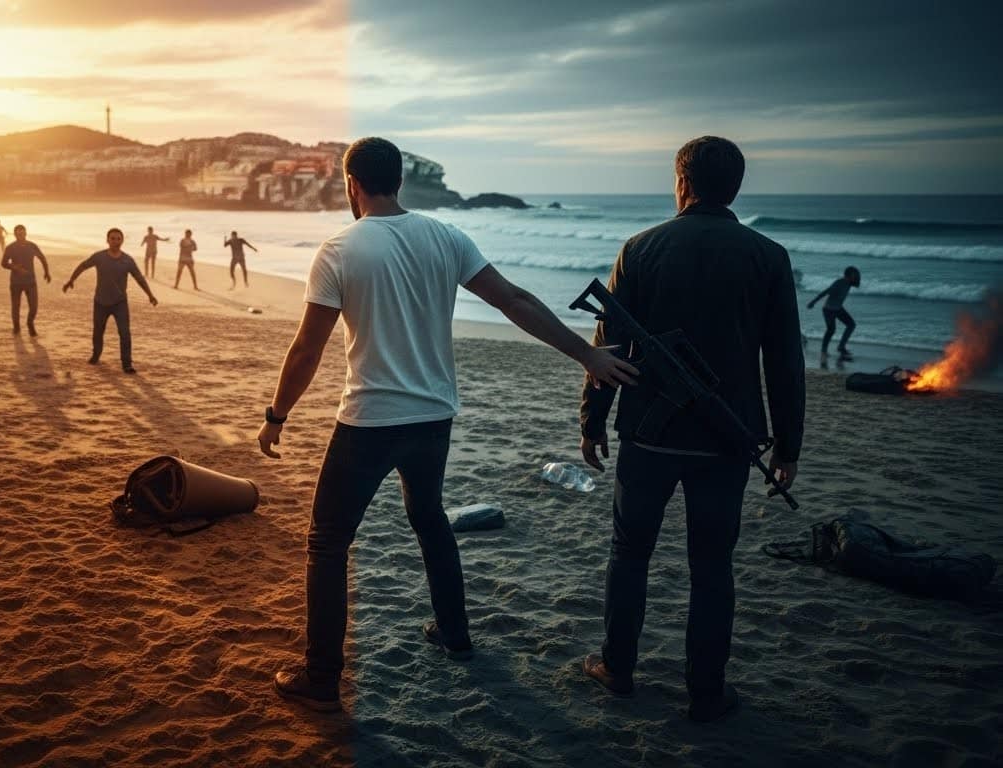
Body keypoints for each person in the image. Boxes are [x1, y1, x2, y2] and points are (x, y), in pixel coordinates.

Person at [258, 137, 636, 712]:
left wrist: (277, 415)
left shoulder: (339, 248)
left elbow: (307, 348)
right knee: (429, 517)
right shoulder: (445, 236)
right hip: (434, 418)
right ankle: (455, 635)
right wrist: (585, 355)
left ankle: (321, 677)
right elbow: (513, 300)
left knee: (329, 542)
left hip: (369, 420)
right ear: (400, 181)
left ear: (351, 184)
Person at [578, 136, 804, 724]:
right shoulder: (768, 255)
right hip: (728, 443)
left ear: (681, 183)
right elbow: (784, 360)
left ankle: (617, 670)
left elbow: (610, 347)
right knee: (712, 566)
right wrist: (789, 445)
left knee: (629, 554)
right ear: (736, 187)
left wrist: (592, 419)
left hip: (649, 437)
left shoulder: (641, 248)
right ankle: (706, 693)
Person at [63, 227, 158, 374]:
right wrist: (71, 280)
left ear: (122, 241)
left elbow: (139, 278)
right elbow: (83, 266)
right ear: (107, 240)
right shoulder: (99, 257)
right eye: (112, 238)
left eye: (118, 238)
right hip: (100, 301)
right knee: (98, 331)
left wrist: (150, 295)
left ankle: (127, 364)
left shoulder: (127, 260)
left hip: (120, 302)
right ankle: (96, 355)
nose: (115, 241)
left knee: (125, 333)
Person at [0, 224, 51, 336]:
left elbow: (42, 258)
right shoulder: (10, 248)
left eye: (22, 233)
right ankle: (16, 327)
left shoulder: (32, 246)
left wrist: (47, 272)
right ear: (15, 235)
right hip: (15, 282)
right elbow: (3, 263)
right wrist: (14, 267)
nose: (20, 236)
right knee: (15, 307)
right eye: (18, 234)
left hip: (30, 281)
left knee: (34, 307)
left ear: (25, 233)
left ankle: (30, 323)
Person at [808, 266, 861, 361]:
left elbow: (857, 283)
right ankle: (823, 351)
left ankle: (841, 347)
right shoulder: (839, 282)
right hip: (828, 309)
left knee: (851, 324)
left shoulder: (849, 283)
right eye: (854, 275)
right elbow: (826, 292)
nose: (855, 276)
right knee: (831, 330)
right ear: (848, 275)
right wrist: (813, 302)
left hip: (838, 308)